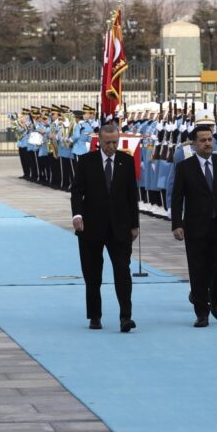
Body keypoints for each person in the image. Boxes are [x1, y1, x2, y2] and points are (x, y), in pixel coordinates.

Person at [170, 124, 217, 327]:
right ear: (193, 145)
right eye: (202, 140)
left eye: (209, 139)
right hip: (195, 226)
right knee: (198, 269)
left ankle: (216, 296)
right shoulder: (185, 167)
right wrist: (177, 223)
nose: (207, 143)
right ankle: (202, 313)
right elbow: (177, 198)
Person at [70, 124, 139, 332]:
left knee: (122, 273)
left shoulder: (126, 161)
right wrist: (77, 215)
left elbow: (131, 196)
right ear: (99, 141)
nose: (111, 146)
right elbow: (76, 191)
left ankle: (125, 317)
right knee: (93, 274)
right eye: (108, 142)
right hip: (91, 227)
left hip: (120, 228)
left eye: (115, 142)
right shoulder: (86, 162)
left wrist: (134, 225)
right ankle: (95, 316)